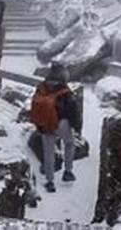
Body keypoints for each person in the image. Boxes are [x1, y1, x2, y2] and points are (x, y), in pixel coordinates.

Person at [30, 63, 82, 193]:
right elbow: (73, 110)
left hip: (45, 123)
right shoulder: (64, 89)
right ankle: (68, 171)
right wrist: (77, 127)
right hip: (61, 122)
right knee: (69, 143)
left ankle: (49, 181)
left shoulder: (42, 86)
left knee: (48, 151)